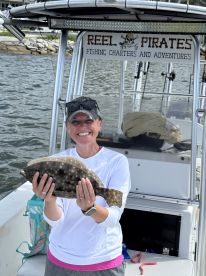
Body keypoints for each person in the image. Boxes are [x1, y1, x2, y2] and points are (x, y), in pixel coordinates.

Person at [32, 96, 131, 276]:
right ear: (68, 128)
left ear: (99, 124)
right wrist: (49, 201)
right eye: (75, 122)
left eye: (89, 121)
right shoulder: (56, 162)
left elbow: (113, 218)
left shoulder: (117, 162)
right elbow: (55, 221)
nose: (82, 127)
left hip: (104, 261)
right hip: (60, 259)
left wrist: (90, 208)